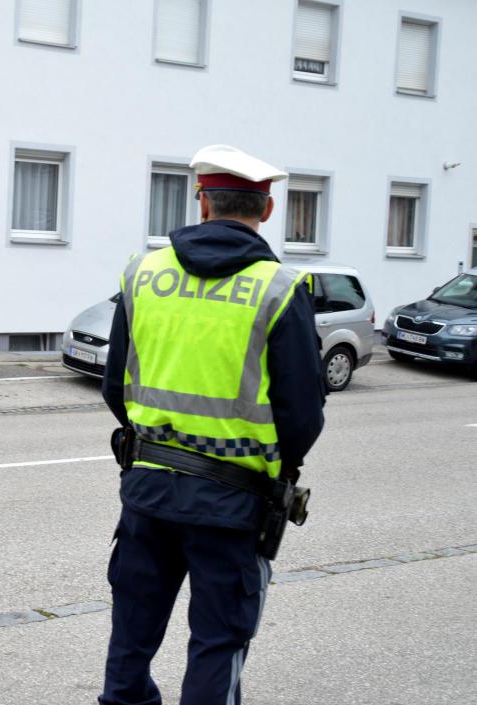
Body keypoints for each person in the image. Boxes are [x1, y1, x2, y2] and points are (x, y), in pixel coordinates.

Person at [99, 145, 326, 705]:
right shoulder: (279, 289)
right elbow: (302, 415)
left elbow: (114, 387)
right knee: (218, 643)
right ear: (267, 209)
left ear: (201, 203)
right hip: (235, 503)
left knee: (131, 633)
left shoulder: (142, 273)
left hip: (148, 488)